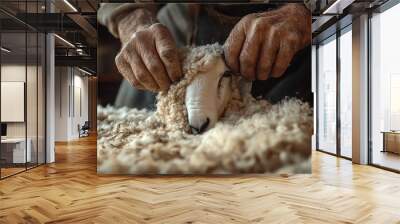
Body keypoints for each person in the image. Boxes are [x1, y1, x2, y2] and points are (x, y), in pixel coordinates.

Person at [98, 2, 314, 109]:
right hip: (172, 38)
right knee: (127, 145)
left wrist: (308, 13)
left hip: (292, 41)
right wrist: (128, 16)